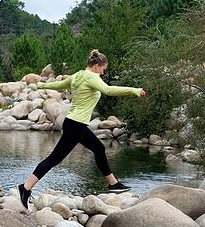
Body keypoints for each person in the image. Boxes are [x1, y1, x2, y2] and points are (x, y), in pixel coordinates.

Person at [18, 49, 146, 209]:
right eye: (104, 68)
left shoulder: (77, 75)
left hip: (73, 123)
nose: (104, 72)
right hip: (76, 125)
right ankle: (25, 188)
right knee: (54, 159)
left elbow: (58, 85)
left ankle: (113, 183)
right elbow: (108, 90)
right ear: (98, 65)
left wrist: (41, 84)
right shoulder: (92, 77)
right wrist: (134, 91)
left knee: (98, 148)